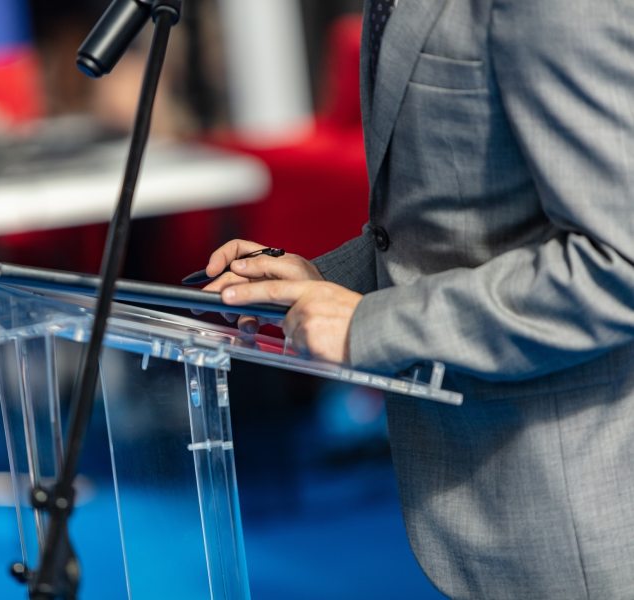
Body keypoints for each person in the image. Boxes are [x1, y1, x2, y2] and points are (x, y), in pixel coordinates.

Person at [201, 1, 634, 597]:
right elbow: (452, 225)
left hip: (575, 503)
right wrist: (323, 281)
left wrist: (375, 324)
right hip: (483, 487)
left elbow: (619, 266)